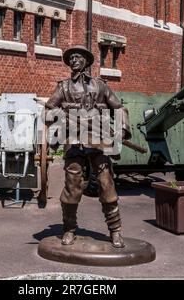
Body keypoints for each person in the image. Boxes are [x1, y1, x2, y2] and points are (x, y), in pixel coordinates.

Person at [45, 45, 132, 248]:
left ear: (86, 61)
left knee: (106, 184)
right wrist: (59, 117)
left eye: (78, 57)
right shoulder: (63, 87)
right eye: (71, 58)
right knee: (72, 187)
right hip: (74, 143)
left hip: (99, 142)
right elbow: (48, 110)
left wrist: (122, 129)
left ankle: (115, 231)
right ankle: (69, 229)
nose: (74, 60)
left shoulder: (100, 86)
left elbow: (118, 108)